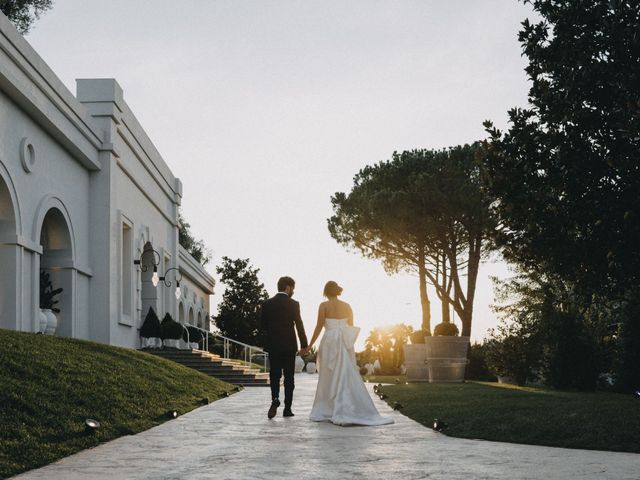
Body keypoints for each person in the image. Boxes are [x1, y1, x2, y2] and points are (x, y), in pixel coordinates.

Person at [303, 281, 393, 426]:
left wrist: (309, 345)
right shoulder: (347, 306)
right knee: (346, 373)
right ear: (337, 291)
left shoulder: (323, 306)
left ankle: (329, 408)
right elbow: (351, 327)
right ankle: (345, 407)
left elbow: (319, 326)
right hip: (345, 341)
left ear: (326, 292)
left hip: (330, 342)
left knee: (329, 374)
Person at [261, 276, 308, 419]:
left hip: (273, 345)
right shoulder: (294, 304)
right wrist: (304, 345)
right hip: (289, 345)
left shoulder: (267, 304)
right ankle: (287, 409)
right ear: (288, 287)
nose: (293, 291)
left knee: (274, 375)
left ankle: (275, 399)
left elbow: (263, 326)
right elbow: (299, 325)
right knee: (289, 378)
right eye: (293, 288)